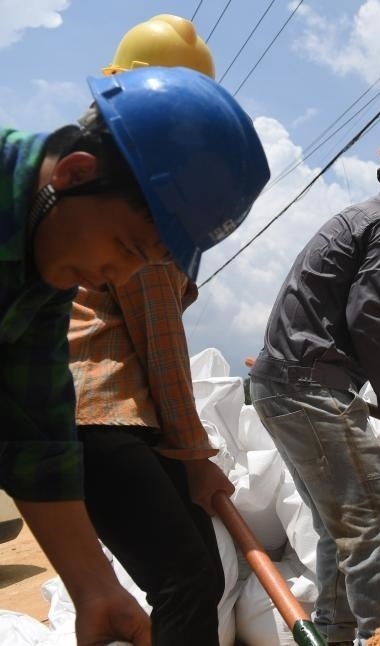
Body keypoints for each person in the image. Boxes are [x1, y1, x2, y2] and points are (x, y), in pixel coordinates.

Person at [0, 65, 269, 645]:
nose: (119, 276)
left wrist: (94, 588)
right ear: (75, 173)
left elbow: (35, 432)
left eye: (145, 263)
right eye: (126, 248)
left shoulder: (46, 283)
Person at [249, 123, 380, 645]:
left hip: (282, 383)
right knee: (373, 521)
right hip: (309, 386)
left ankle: (337, 636)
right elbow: (368, 321)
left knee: (340, 527)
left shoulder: (363, 218)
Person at [67, 16, 237, 644]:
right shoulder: (144, 206)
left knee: (195, 579)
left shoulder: (103, 188)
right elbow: (162, 347)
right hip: (103, 413)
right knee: (187, 582)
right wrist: (195, 459)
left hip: (113, 417)